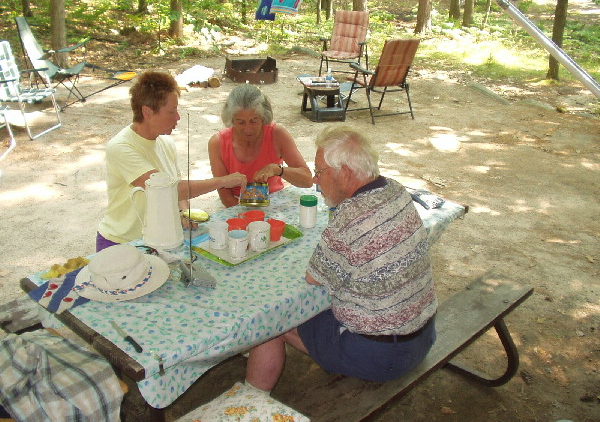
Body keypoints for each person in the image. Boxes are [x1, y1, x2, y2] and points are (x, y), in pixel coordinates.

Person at [245, 125, 437, 391]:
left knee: (271, 321)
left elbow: (313, 278)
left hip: (383, 356)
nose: (314, 180)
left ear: (344, 173)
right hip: (423, 336)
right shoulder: (395, 190)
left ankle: (249, 405)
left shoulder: (350, 217)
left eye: (320, 171)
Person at [96, 71, 246, 252]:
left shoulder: (165, 142)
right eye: (171, 111)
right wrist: (223, 181)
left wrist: (183, 212)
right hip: (122, 243)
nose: (178, 117)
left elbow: (178, 192)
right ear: (147, 111)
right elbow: (167, 190)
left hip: (159, 239)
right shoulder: (121, 147)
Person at [208, 84, 313, 208]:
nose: (248, 129)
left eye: (254, 121)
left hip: (273, 199)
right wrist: (249, 218)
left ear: (263, 117)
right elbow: (226, 196)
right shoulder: (217, 143)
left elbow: (307, 180)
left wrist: (277, 169)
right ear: (231, 119)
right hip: (235, 204)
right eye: (241, 122)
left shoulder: (277, 134)